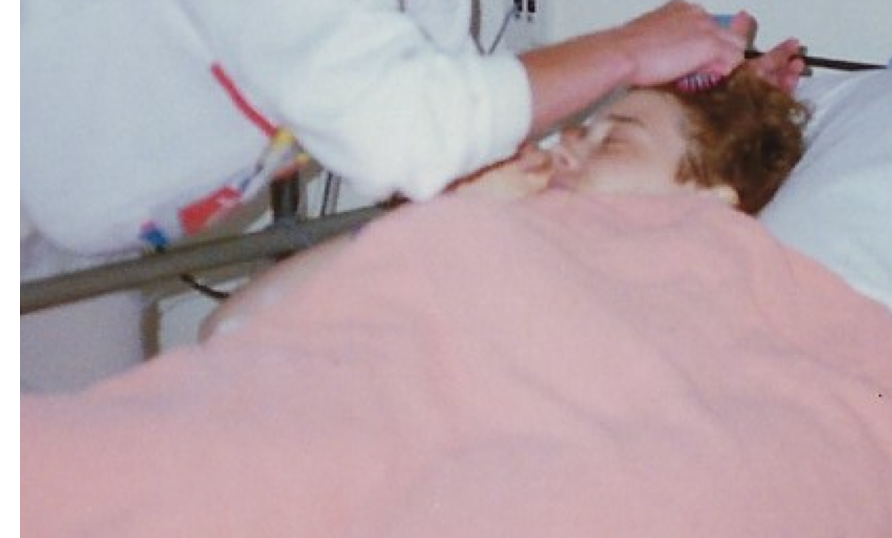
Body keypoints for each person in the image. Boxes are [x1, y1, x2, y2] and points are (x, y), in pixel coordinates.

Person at [22, 0, 791, 390]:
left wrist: (728, 121)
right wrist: (628, 49)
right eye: (597, 133)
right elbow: (406, 138)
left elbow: (445, 138)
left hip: (79, 254)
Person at [200, 63, 811, 340]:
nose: (570, 146)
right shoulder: (500, 228)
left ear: (708, 197)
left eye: (616, 141)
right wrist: (448, 215)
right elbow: (232, 328)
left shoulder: (710, 291)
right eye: (582, 128)